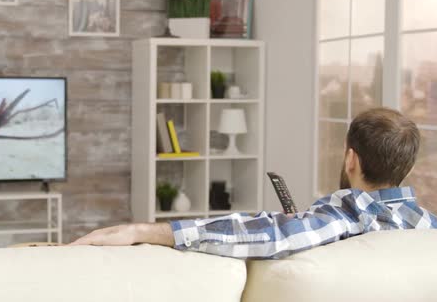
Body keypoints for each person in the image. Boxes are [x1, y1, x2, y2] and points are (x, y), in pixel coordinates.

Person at [71, 107, 437, 259]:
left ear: (351, 158)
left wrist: (142, 231)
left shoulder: (341, 221)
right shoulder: (428, 228)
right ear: (405, 166)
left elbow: (260, 235)